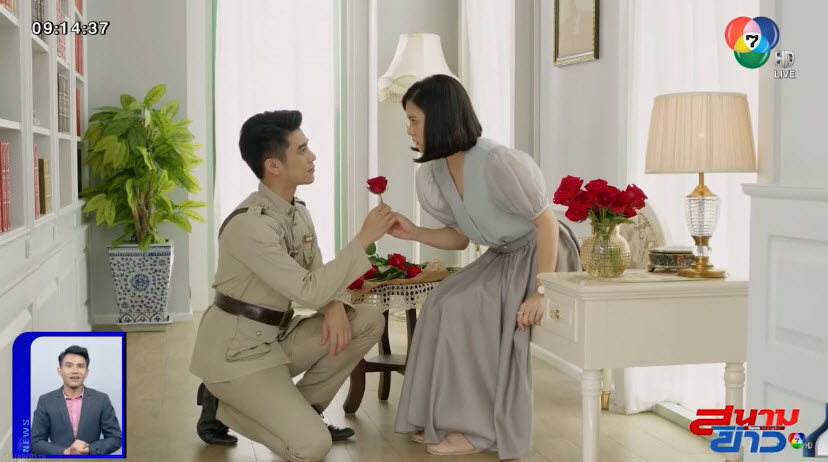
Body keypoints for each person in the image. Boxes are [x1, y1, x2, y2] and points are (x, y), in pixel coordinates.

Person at [391, 75, 581, 459]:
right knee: (440, 301)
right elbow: (460, 238)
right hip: (503, 254)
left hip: (543, 254)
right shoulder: (436, 172)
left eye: (414, 120)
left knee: (464, 309)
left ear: (440, 118)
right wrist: (414, 232)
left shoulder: (497, 162)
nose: (408, 130)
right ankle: (440, 417)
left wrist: (541, 290)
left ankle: (477, 429)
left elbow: (545, 224)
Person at [189, 110, 392, 462]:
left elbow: (318, 276)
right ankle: (221, 405)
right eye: (301, 150)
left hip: (277, 339)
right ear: (273, 165)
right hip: (238, 354)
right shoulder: (250, 226)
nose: (312, 156)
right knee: (312, 447)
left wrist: (334, 307)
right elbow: (308, 290)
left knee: (367, 319)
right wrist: (364, 238)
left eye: (307, 147)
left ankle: (304, 411)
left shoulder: (298, 211)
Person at [30, 345, 122, 455]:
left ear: (86, 372)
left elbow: (116, 438)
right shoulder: (45, 401)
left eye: (80, 366)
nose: (75, 371)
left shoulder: (101, 399)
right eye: (69, 366)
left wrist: (89, 450)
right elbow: (35, 442)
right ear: (60, 371)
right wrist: (65, 452)